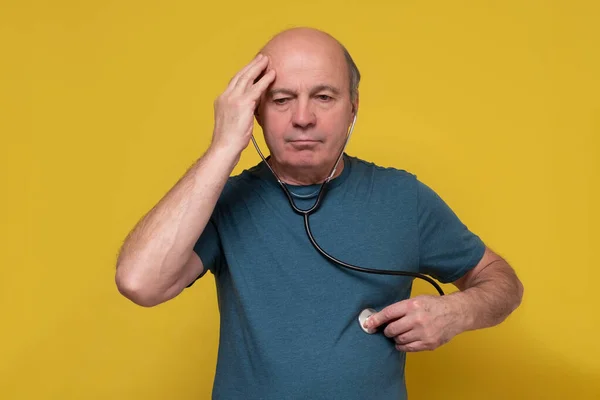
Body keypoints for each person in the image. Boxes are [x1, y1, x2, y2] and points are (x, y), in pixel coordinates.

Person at [115, 27, 524, 399]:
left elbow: (502, 281)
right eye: (281, 99)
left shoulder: (403, 197)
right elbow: (139, 282)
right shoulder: (224, 201)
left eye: (324, 97)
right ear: (255, 112)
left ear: (353, 108)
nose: (303, 118)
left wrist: (456, 312)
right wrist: (222, 146)